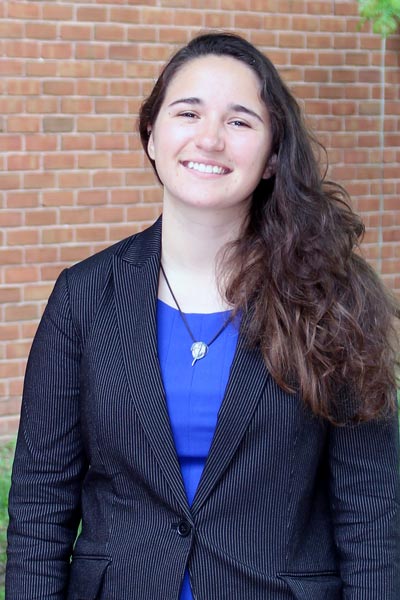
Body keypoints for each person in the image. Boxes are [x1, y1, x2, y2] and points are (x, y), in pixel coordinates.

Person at [6, 32, 400, 600]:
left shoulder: (333, 299)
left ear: (271, 158)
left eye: (240, 122)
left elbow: (370, 519)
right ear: (151, 134)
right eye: (188, 112)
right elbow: (41, 507)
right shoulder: (84, 298)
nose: (210, 139)